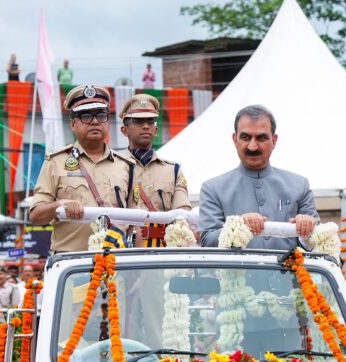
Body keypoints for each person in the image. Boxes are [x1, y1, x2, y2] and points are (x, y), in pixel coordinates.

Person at [29, 84, 135, 253]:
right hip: (72, 266)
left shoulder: (126, 165)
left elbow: (136, 220)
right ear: (72, 124)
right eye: (86, 116)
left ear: (108, 121)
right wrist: (59, 205)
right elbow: (35, 215)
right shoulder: (56, 162)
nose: (94, 121)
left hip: (117, 265)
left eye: (101, 115)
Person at [199, 105, 319, 249]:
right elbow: (207, 241)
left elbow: (320, 243)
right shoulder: (213, 189)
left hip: (291, 272)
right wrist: (238, 225)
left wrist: (307, 226)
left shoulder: (299, 186)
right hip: (235, 272)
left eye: (261, 138)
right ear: (234, 139)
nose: (252, 146)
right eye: (245, 137)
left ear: (274, 141)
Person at [120, 93, 191, 247]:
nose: (146, 126)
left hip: (163, 252)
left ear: (156, 129)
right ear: (124, 130)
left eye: (150, 121)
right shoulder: (115, 168)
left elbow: (182, 213)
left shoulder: (173, 170)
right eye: (138, 122)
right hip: (124, 252)